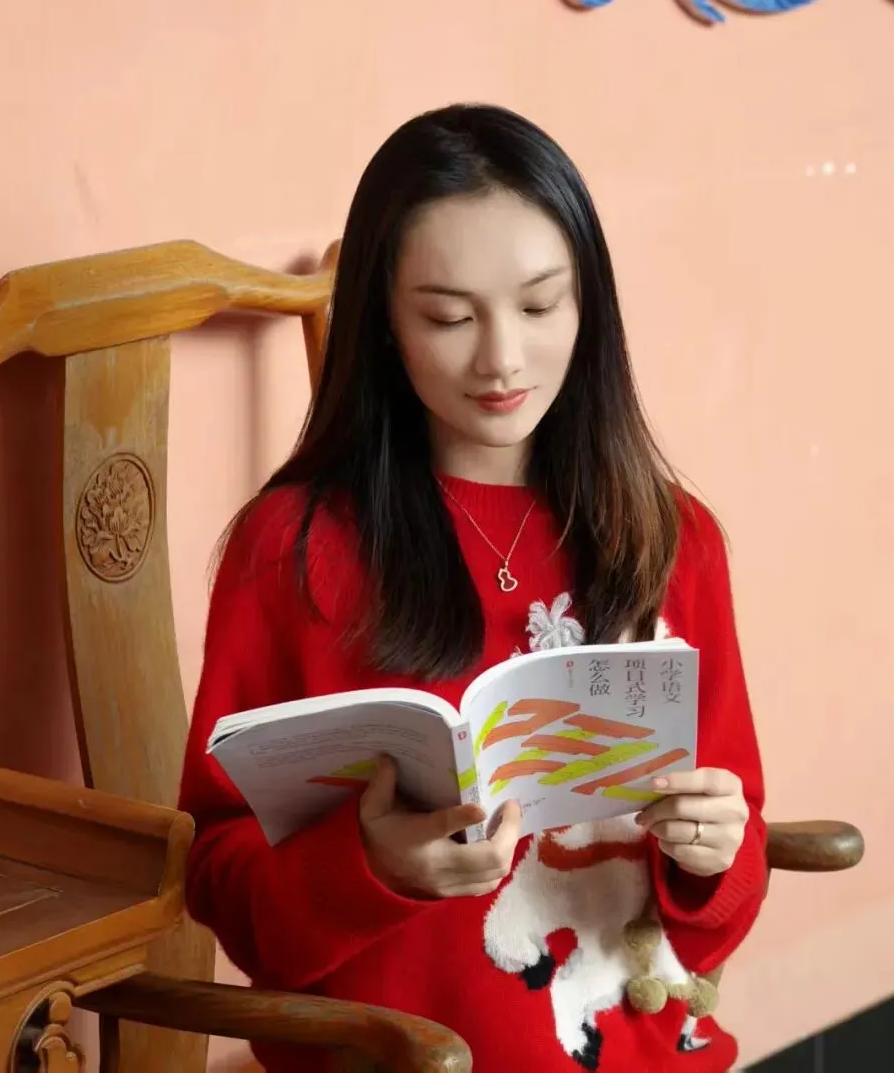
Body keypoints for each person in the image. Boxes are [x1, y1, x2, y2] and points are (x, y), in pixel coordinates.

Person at [179, 104, 767, 1072]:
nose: (501, 360)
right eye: (449, 317)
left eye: (540, 307)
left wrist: (714, 856)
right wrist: (368, 866)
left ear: (589, 305)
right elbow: (220, 879)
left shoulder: (669, 538)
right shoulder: (294, 552)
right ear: (383, 322)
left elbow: (723, 900)